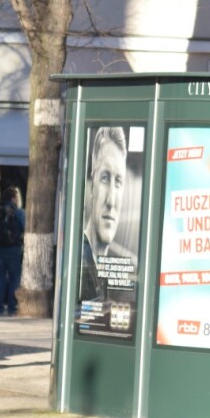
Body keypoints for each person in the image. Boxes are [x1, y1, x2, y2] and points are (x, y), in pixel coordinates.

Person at [80, 126, 134, 302]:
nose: (111, 201)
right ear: (92, 185)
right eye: (105, 178)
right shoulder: (78, 259)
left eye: (118, 182)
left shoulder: (108, 267)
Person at [0, 186, 26, 315]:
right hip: (14, 249)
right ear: (14, 198)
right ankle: (12, 306)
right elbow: (24, 228)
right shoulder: (18, 212)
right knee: (15, 279)